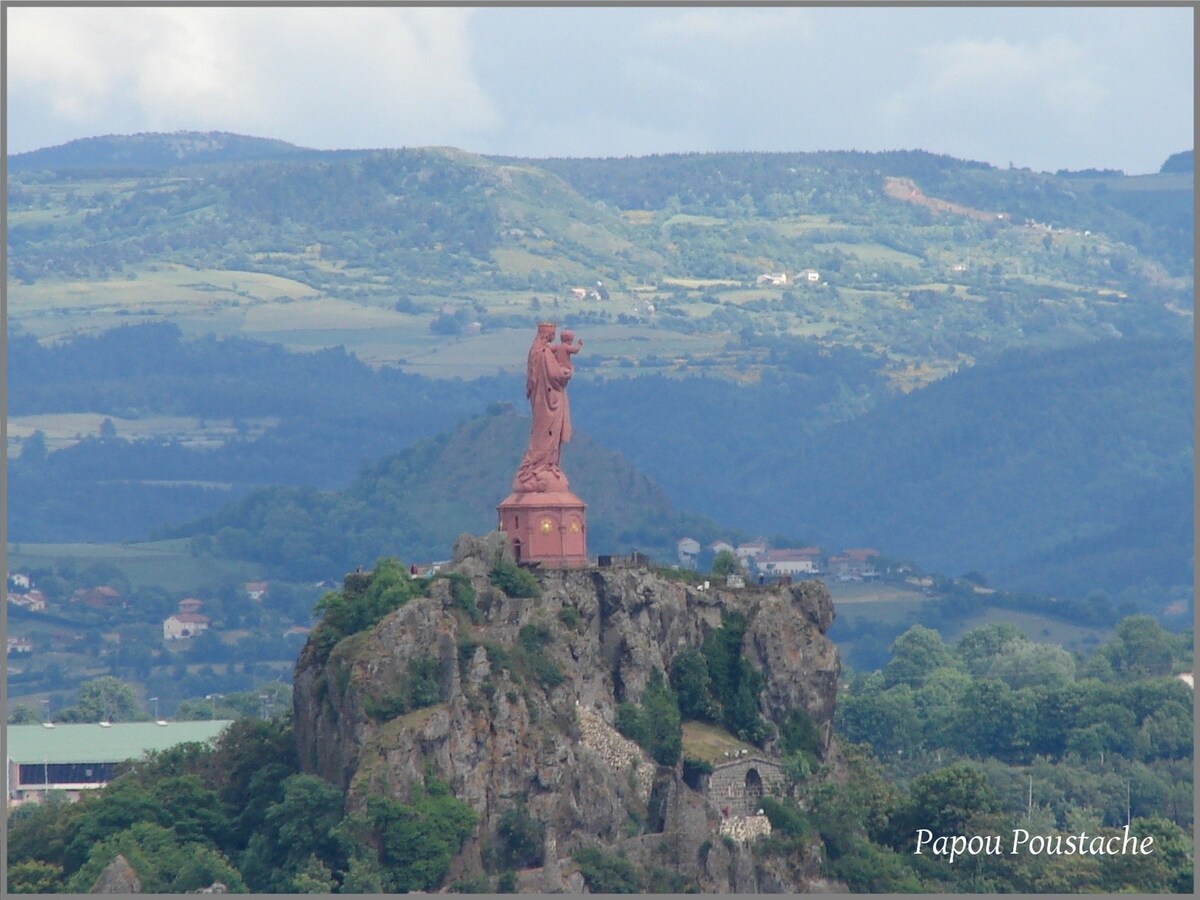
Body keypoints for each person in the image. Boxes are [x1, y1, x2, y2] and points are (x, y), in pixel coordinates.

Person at [513, 323, 577, 492]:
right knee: (547, 434)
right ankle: (539, 466)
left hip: (542, 401)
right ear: (546, 334)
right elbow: (556, 375)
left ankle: (545, 465)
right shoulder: (544, 353)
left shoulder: (535, 352)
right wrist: (568, 371)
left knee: (543, 434)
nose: (553, 337)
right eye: (551, 334)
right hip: (550, 401)